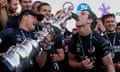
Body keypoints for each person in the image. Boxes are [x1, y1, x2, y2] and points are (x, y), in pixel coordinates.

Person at [35, 2, 65, 72]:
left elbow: (61, 55)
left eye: (49, 11)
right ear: (38, 13)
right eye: (44, 10)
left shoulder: (55, 31)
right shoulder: (33, 28)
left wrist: (58, 58)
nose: (48, 13)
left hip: (49, 67)